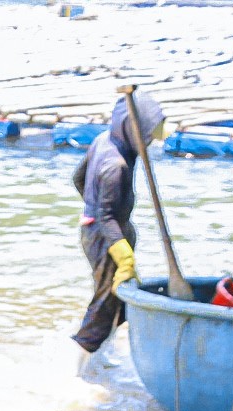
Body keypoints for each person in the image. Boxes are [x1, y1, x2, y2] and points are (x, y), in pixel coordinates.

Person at [71, 93, 165, 356]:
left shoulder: (104, 140)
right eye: (147, 136)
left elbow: (78, 178)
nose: (150, 141)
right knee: (105, 302)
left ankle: (102, 358)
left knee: (118, 302)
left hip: (96, 229)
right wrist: (124, 258)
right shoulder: (117, 165)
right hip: (107, 238)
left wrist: (93, 205)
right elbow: (107, 217)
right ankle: (77, 366)